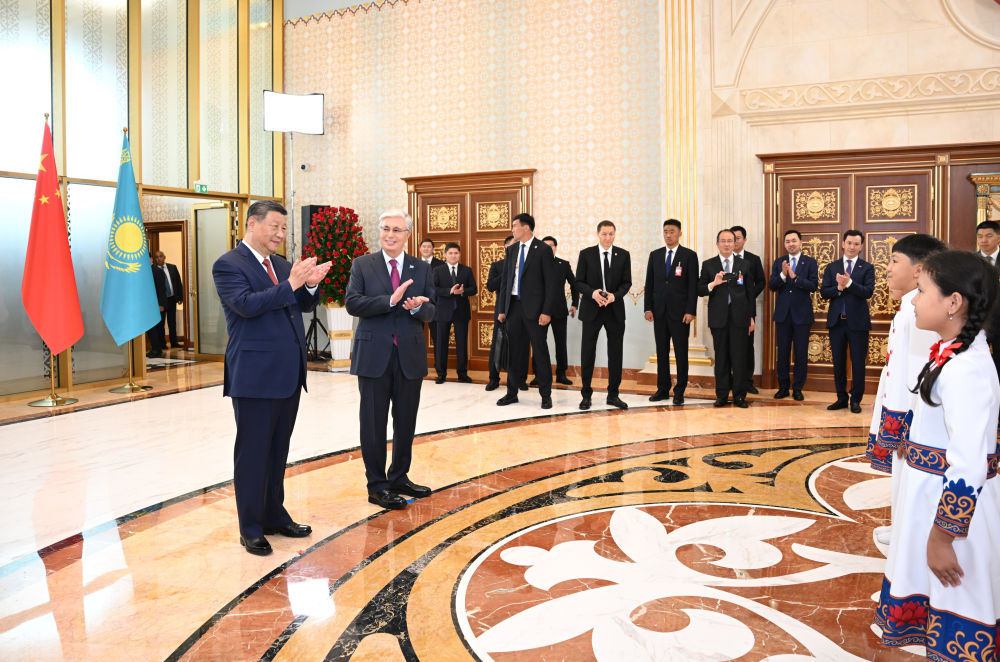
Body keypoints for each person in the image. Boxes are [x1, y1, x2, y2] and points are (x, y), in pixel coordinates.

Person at [874, 250, 1000, 660]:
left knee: (959, 602)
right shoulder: (950, 351)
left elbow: (969, 461)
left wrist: (943, 536)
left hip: (952, 515)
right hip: (928, 494)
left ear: (953, 302)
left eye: (923, 290)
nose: (913, 300)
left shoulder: (966, 368)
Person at [212, 201, 331, 556]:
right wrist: (293, 283)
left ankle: (274, 515)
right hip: (254, 376)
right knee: (253, 454)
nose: (281, 234)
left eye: (283, 228)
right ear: (252, 224)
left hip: (287, 374)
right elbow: (247, 305)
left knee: (278, 451)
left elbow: (299, 305)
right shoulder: (229, 264)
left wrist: (309, 287)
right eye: (274, 227)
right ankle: (250, 527)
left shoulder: (280, 265)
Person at [345, 209, 436, 511]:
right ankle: (377, 486)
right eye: (386, 228)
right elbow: (352, 303)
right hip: (373, 356)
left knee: (406, 421)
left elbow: (432, 310)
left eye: (397, 230)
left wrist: (416, 307)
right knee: (373, 423)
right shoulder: (363, 264)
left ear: (407, 235)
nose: (390, 235)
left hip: (409, 356)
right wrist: (389, 301)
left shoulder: (420, 268)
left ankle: (399, 477)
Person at [866, 234, 946, 546]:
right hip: (897, 403)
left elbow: (919, 372)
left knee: (911, 470)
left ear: (918, 269)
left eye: (894, 260)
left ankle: (907, 528)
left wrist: (904, 421)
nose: (887, 268)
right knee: (901, 469)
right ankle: (900, 523)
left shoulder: (921, 310)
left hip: (909, 409)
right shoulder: (907, 306)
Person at [496, 213, 557, 410]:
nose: (512, 229)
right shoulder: (512, 249)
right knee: (513, 352)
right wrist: (502, 309)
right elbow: (506, 281)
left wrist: (547, 312)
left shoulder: (543, 250)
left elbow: (551, 284)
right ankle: (511, 393)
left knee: (540, 352)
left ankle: (546, 395)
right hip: (514, 308)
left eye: (515, 225)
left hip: (536, 311)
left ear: (526, 227)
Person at [575, 220, 632, 411]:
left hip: (614, 310)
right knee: (587, 353)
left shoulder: (623, 255)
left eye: (611, 234)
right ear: (598, 234)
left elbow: (627, 283)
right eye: (604, 234)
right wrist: (593, 293)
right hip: (592, 309)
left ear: (615, 234)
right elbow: (578, 282)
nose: (608, 237)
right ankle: (586, 395)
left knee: (615, 353)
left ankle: (613, 395)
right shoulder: (586, 254)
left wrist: (614, 296)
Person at [697, 229, 756, 408]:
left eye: (730, 240)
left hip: (740, 318)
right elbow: (699, 290)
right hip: (718, 319)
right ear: (717, 244)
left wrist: (751, 318)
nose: (727, 244)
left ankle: (739, 396)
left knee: (739, 359)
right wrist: (713, 284)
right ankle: (721, 395)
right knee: (721, 358)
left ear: (735, 243)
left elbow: (750, 294)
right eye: (723, 241)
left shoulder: (744, 264)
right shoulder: (709, 264)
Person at [820, 230, 875, 413]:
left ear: (861, 246)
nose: (852, 247)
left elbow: (868, 292)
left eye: (856, 244)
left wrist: (849, 284)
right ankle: (841, 398)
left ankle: (856, 400)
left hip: (858, 323)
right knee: (838, 362)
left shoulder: (867, 268)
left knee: (858, 363)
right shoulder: (832, 266)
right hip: (837, 322)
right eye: (849, 243)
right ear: (843, 244)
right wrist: (838, 287)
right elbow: (824, 292)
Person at [644, 218, 698, 405]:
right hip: (659, 313)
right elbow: (649, 283)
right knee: (661, 352)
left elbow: (693, 287)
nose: (668, 235)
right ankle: (662, 389)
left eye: (672, 231)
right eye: (665, 231)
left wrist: (690, 311)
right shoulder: (655, 255)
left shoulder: (689, 256)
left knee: (681, 353)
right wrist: (648, 308)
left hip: (681, 314)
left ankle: (679, 391)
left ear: (680, 233)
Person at [768, 229, 818, 401]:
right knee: (782, 352)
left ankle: (797, 388)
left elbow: (813, 286)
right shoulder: (779, 262)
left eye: (794, 241)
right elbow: (772, 285)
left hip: (802, 315)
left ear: (800, 242)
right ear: (784, 244)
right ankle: (783, 387)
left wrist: (795, 277)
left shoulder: (810, 262)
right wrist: (783, 274)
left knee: (801, 353)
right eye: (788, 241)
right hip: (783, 315)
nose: (791, 244)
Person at [432, 242, 477, 384]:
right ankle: (441, 374)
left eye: (456, 253)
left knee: (462, 344)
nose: (453, 255)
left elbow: (474, 289)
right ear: (445, 255)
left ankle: (462, 374)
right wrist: (449, 291)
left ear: (459, 255)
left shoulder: (466, 270)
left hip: (461, 312)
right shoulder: (438, 270)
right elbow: (433, 289)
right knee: (441, 344)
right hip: (442, 311)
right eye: (450, 253)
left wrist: (463, 291)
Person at [536, 235, 577, 386]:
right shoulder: (535, 264)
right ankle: (538, 375)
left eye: (551, 246)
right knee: (539, 343)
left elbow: (574, 284)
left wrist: (575, 304)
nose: (548, 249)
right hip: (540, 311)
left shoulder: (563, 264)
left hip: (559, 310)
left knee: (561, 343)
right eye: (545, 246)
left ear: (556, 248)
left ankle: (561, 374)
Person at [730, 226, 766, 394]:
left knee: (746, 346)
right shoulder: (724, 259)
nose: (734, 241)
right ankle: (730, 381)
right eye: (732, 238)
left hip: (746, 309)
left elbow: (761, 281)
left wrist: (748, 296)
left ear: (744, 240)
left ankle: (747, 381)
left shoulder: (753, 259)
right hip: (726, 310)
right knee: (727, 347)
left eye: (737, 238)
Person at [486, 235, 516, 391]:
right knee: (497, 343)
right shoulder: (497, 265)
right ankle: (493, 378)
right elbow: (490, 286)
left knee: (518, 345)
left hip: (520, 309)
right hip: (502, 309)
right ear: (506, 246)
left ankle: (518, 379)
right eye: (513, 244)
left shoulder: (525, 264)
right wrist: (507, 270)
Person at [975, 220, 1000, 390]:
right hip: (978, 321)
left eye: (989, 236)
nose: (984, 240)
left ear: (998, 237)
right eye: (980, 236)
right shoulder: (970, 261)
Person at [152, 250, 184, 350]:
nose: (159, 259)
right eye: (156, 257)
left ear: (164, 257)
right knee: (161, 323)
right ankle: (162, 344)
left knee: (172, 322)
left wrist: (180, 297)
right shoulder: (153, 270)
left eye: (160, 256)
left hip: (172, 299)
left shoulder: (172, 267)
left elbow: (178, 282)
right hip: (161, 301)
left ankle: (174, 342)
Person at [418, 238, 445, 344]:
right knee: (416, 337)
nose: (426, 249)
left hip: (435, 305)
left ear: (433, 249)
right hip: (417, 305)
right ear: (420, 248)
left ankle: (438, 356)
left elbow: (443, 285)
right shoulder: (413, 263)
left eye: (429, 247)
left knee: (437, 337)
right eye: (424, 246)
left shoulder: (441, 265)